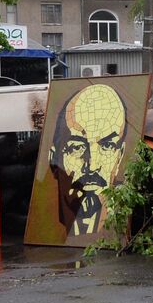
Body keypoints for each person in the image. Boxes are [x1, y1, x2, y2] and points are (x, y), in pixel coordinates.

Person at [50, 83, 127, 237]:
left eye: (107, 145)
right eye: (77, 147)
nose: (92, 165)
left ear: (119, 157)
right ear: (54, 158)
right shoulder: (45, 231)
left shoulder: (117, 232)